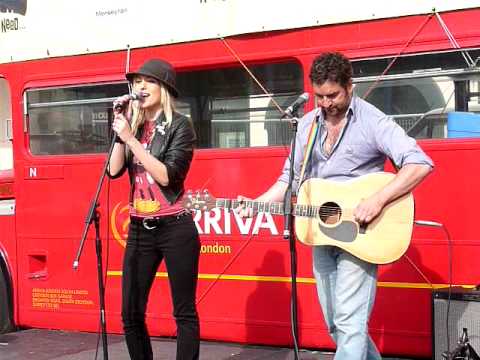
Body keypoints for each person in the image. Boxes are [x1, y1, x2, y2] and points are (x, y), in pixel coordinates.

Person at [237, 52, 433, 359]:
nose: (326, 104)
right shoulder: (305, 126)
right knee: (336, 324)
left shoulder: (372, 120)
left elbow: (420, 163)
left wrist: (377, 199)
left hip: (362, 234)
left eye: (333, 95)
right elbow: (288, 178)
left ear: (350, 86)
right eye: (319, 96)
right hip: (322, 233)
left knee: (349, 323)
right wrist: (258, 204)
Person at [107, 59, 200, 360]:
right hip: (139, 227)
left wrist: (132, 139)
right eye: (137, 82)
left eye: (148, 81)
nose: (141, 87)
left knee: (183, 312)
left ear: (164, 88)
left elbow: (166, 176)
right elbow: (113, 169)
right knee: (130, 312)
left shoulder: (180, 126)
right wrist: (123, 131)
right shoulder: (132, 127)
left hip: (175, 225)